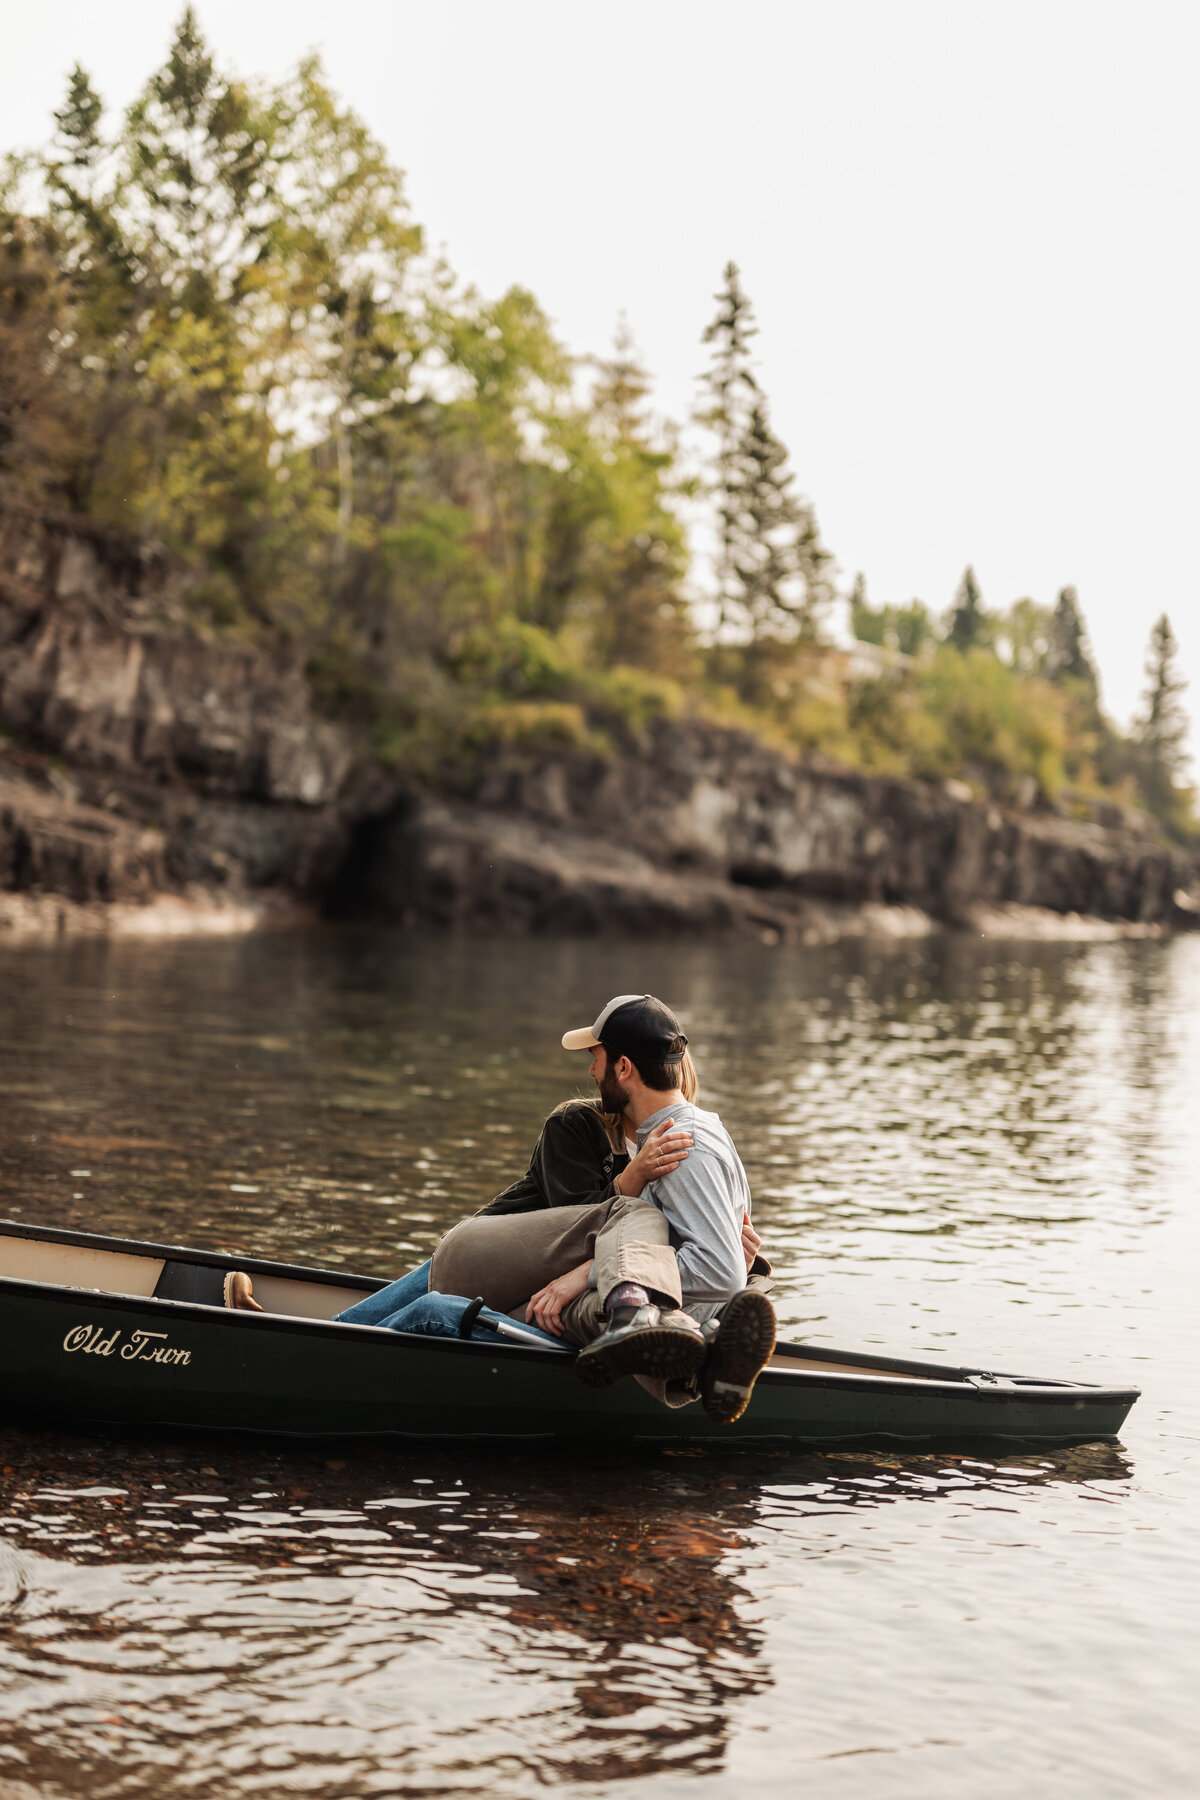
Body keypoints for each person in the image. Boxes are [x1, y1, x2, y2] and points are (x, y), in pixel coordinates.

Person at [229, 994, 776, 1423]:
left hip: (582, 1298)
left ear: (626, 1067)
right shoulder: (616, 1133)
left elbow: (704, 1265)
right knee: (448, 1285)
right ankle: (317, 1342)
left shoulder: (685, 1143)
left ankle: (305, 1359)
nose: (591, 1071)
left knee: (442, 1306)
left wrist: (730, 1260)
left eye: (597, 1059)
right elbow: (606, 1237)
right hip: (547, 1279)